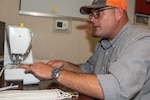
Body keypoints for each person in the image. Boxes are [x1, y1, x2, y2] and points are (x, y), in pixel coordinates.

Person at [18, 0, 150, 100]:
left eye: (98, 13)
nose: (92, 19)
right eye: (91, 15)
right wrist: (65, 66)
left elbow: (118, 89)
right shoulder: (103, 43)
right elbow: (89, 69)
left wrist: (55, 73)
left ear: (118, 13)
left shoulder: (141, 41)